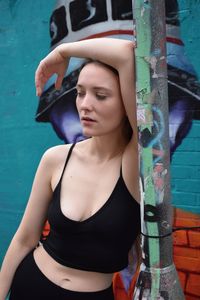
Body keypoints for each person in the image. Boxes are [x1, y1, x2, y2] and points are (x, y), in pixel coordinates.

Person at [0, 38, 140, 300]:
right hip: (30, 285)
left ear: (126, 101)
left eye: (100, 95)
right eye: (80, 92)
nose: (85, 104)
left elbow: (125, 53)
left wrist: (64, 50)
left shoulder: (135, 164)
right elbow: (25, 239)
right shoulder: (55, 159)